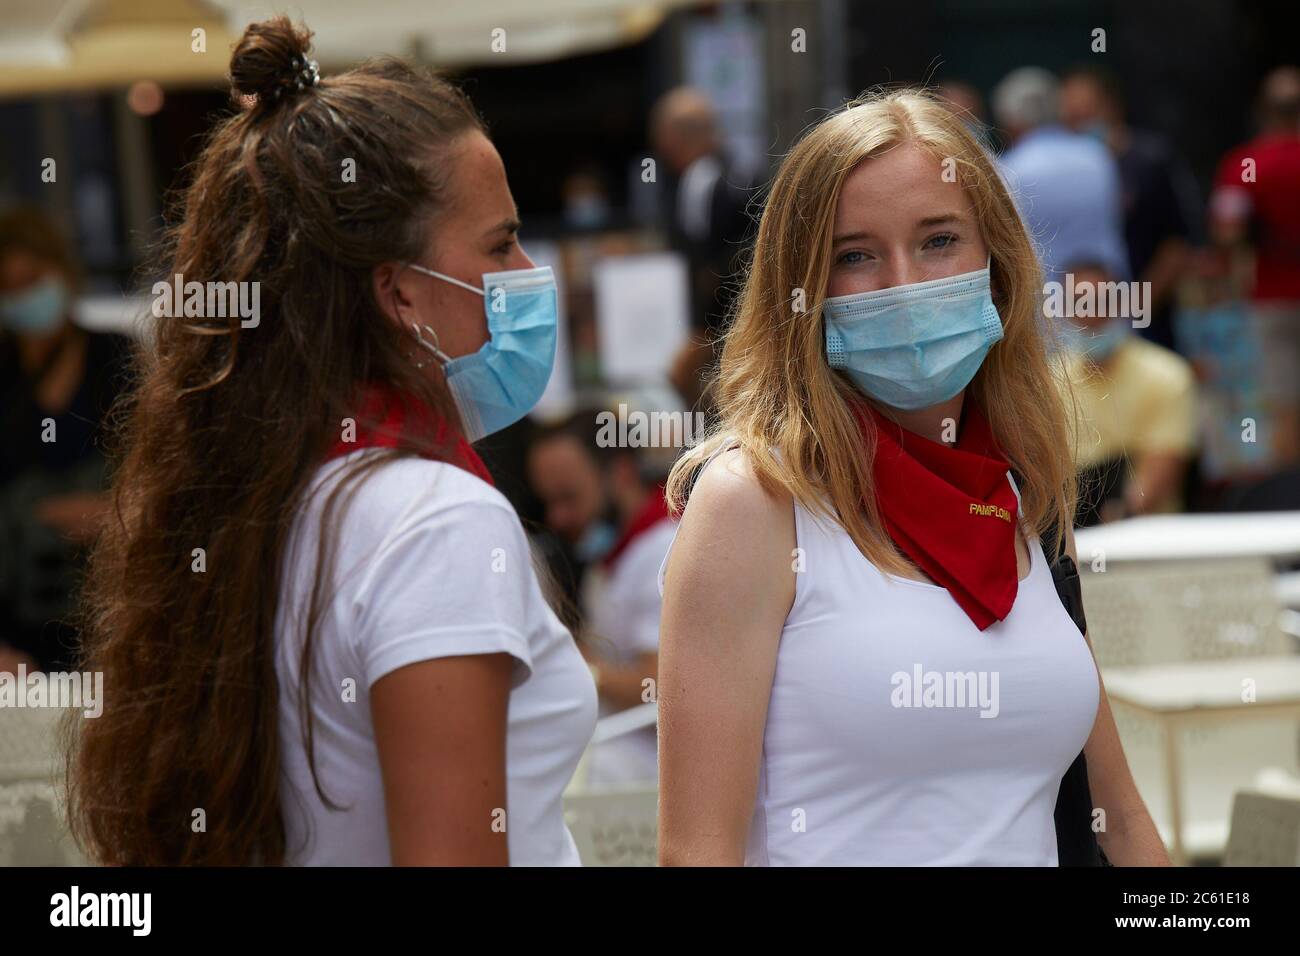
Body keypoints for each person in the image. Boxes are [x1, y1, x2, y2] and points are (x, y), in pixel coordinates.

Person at [67, 17, 597, 866]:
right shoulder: (437, 523)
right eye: (500, 242)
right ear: (400, 295)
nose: (527, 271)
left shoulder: (260, 496)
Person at [656, 89, 1168, 866]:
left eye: (939, 240)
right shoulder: (754, 502)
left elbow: (1120, 820)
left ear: (997, 264)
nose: (903, 282)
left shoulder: (1019, 492)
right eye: (854, 255)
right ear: (803, 293)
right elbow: (696, 853)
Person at [0, 206, 132, 674]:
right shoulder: (7, 377)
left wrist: (110, 511)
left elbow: (167, 472)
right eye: (9, 287)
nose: (23, 296)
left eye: (33, 279)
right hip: (18, 625)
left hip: (111, 607)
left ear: (63, 273)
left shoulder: (117, 358)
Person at [528, 406, 675, 787]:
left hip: (656, 768)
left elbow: (659, 687)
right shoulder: (608, 557)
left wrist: (577, 665)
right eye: (549, 502)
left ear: (621, 472)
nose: (557, 517)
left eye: (569, 498)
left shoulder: (666, 547)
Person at [1060, 65, 1201, 353]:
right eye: (1071, 119)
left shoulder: (1150, 161)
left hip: (1149, 324)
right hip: (1081, 329)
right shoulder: (1064, 171)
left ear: (1111, 107)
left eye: (1086, 115)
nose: (1079, 126)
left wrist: (1135, 309)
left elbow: (1177, 243)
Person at [1055, 261, 1198, 525]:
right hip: (1068, 536)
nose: (1089, 312)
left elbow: (1157, 478)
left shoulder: (1168, 375)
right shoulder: (1048, 381)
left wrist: (1113, 520)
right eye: (1078, 302)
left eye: (1100, 300)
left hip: (1147, 536)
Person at [1209, 66, 1300, 467]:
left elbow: (1227, 230)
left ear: (1263, 111)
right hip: (1272, 296)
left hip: (1270, 300)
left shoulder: (1246, 164)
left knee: (1284, 411)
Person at [648, 87, 757, 412]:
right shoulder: (744, 170)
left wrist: (700, 335)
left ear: (672, 137)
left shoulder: (702, 181)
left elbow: (716, 266)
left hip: (722, 330)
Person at [994, 67, 1129, 287]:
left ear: (1010, 121)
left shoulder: (1007, 171)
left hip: (1044, 305)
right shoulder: (1098, 156)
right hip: (1109, 301)